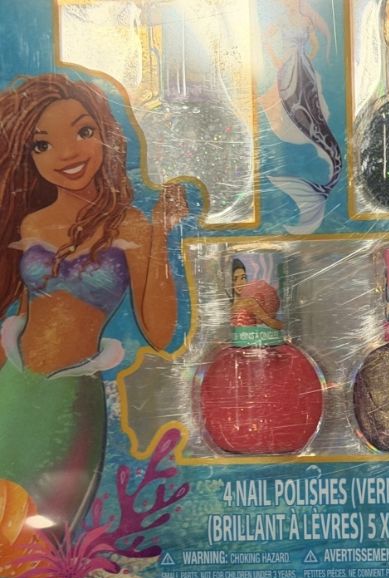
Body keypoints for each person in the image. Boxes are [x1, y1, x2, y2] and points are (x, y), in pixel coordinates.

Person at [0, 74, 185, 538]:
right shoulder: (29, 222)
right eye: (43, 144)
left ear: (106, 134)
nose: (67, 154)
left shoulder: (131, 225)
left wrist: (161, 235)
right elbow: (19, 307)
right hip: (12, 385)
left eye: (83, 132)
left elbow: (159, 332)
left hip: (72, 398)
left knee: (45, 538)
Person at [261, 0, 340, 234]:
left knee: (315, 111)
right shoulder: (280, 20)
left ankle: (321, 184)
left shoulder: (306, 20)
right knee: (291, 111)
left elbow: (315, 44)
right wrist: (278, 61)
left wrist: (306, 59)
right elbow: (265, 39)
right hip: (287, 70)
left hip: (303, 69)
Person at [230, 259, 284, 330]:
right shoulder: (244, 303)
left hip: (251, 336)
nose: (240, 283)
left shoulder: (249, 302)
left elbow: (273, 324)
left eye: (243, 277)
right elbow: (273, 323)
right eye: (235, 279)